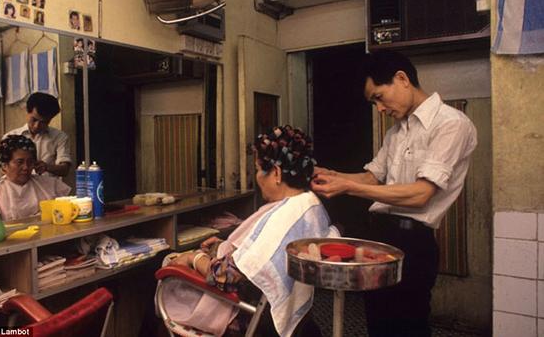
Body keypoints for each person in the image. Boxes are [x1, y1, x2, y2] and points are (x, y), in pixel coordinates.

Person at [311, 50, 477, 337]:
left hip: (412, 242)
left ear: (401, 78)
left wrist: (349, 187)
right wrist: (334, 176)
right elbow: (372, 177)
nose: (379, 109)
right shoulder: (396, 133)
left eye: (378, 97)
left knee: (407, 326)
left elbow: (420, 194)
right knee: (378, 322)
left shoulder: (451, 124)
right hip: (380, 237)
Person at [161, 125, 338, 337]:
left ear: (276, 173)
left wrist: (193, 258)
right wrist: (221, 247)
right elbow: (265, 254)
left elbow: (225, 276)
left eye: (257, 169)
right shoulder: (309, 205)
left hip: (247, 315)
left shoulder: (285, 217)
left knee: (165, 279)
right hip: (282, 313)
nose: (256, 177)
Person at [0, 135, 71, 221]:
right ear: (4, 165)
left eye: (30, 162)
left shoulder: (50, 185)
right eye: (20, 162)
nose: (26, 167)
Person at [4, 92, 72, 178]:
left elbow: (65, 169)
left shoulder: (60, 137)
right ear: (27, 111)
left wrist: (47, 167)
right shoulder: (10, 137)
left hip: (48, 189)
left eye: (44, 122)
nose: (37, 126)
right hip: (17, 189)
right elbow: (1, 169)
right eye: (34, 119)